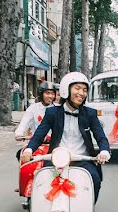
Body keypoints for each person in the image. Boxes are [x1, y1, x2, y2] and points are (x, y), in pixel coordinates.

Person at [20, 72, 110, 202]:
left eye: (85, 90)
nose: (81, 93)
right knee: (41, 182)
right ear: (66, 89)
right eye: (77, 88)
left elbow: (101, 137)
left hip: (83, 159)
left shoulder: (90, 114)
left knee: (94, 180)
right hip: (56, 159)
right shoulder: (52, 113)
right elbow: (39, 134)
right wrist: (29, 150)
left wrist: (104, 151)